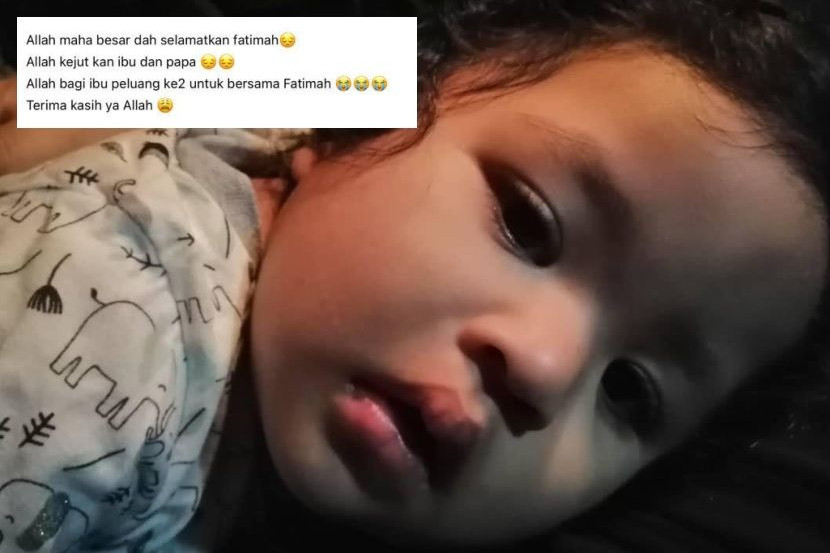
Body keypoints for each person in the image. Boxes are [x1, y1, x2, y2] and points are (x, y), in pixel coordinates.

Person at [1, 0, 829, 550]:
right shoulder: (103, 351)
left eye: (631, 391)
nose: (544, 365)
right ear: (359, 125)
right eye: (527, 221)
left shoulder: (349, 91)